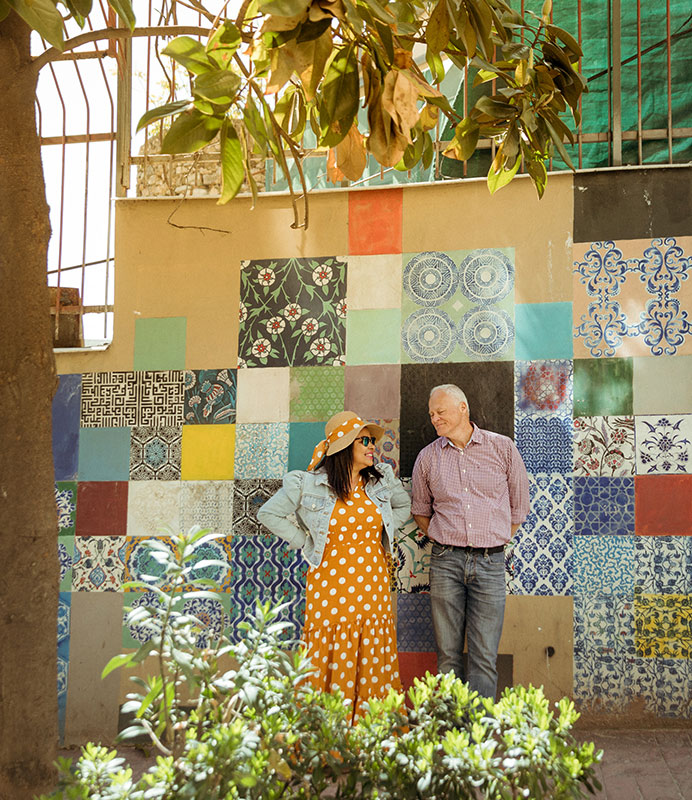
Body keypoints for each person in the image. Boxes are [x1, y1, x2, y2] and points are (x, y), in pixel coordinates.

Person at [258, 410, 411, 722]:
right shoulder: (308, 484)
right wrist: (304, 541)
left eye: (372, 440)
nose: (372, 446)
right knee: (329, 650)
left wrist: (386, 530)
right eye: (364, 440)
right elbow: (268, 514)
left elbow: (404, 506)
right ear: (343, 447)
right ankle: (329, 732)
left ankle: (370, 731)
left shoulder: (380, 480)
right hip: (330, 583)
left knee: (371, 648)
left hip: (372, 582)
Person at [411, 384, 529, 699]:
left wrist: (490, 540)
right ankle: (453, 728)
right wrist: (447, 536)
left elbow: (519, 508)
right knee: (448, 653)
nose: (435, 418)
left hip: (491, 563)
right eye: (431, 413)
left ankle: (479, 733)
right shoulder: (427, 458)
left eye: (441, 411)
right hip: (445, 562)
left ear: (463, 408)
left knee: (484, 655)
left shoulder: (502, 448)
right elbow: (421, 511)